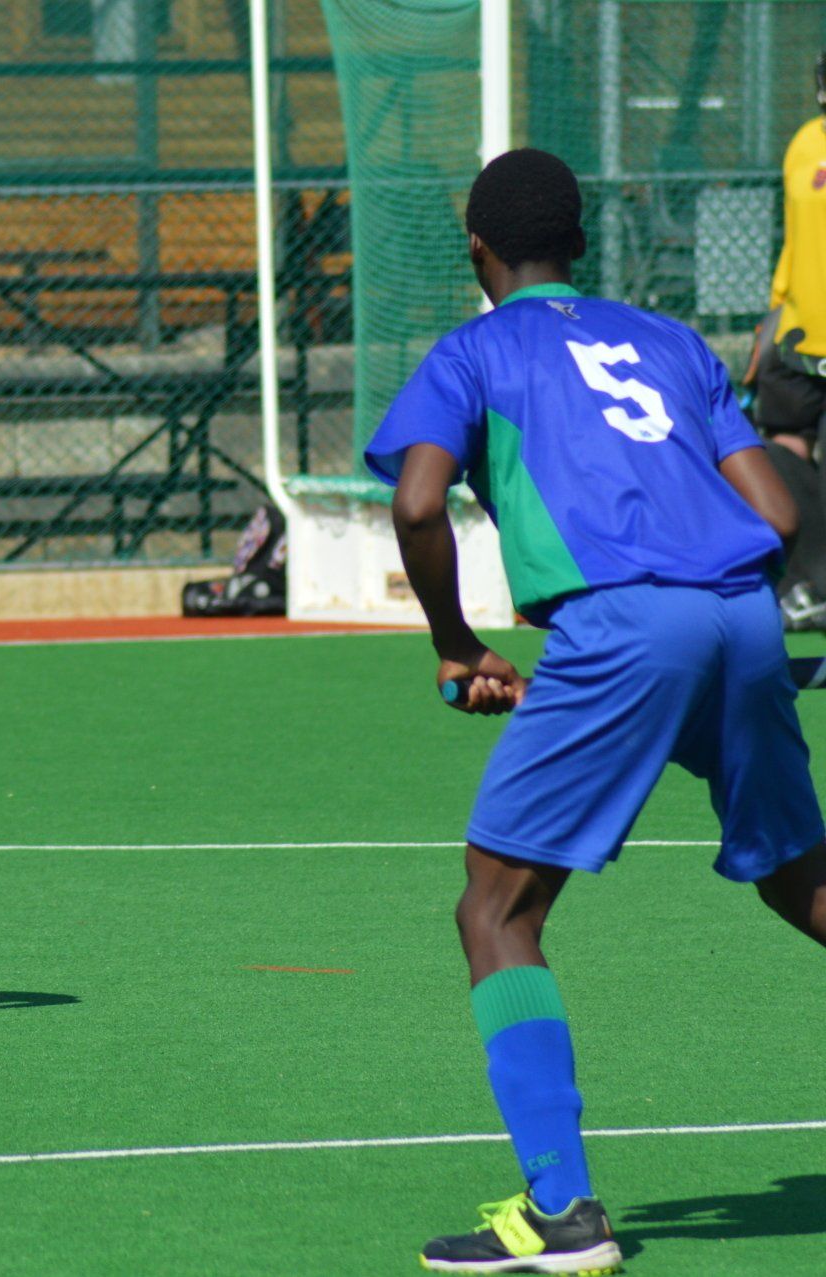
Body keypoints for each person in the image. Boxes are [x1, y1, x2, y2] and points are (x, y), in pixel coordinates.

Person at [365, 148, 826, 1274]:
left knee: (495, 908)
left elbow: (418, 502)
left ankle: (563, 1210)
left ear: (478, 250)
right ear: (580, 243)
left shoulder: (473, 350)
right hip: (740, 613)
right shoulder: (669, 341)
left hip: (622, 628)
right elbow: (776, 510)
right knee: (800, 876)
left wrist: (456, 641)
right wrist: (713, 632)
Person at [749, 50, 826, 627]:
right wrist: (773, 317)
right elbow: (796, 240)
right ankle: (806, 586)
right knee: (780, 449)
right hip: (798, 334)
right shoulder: (803, 144)